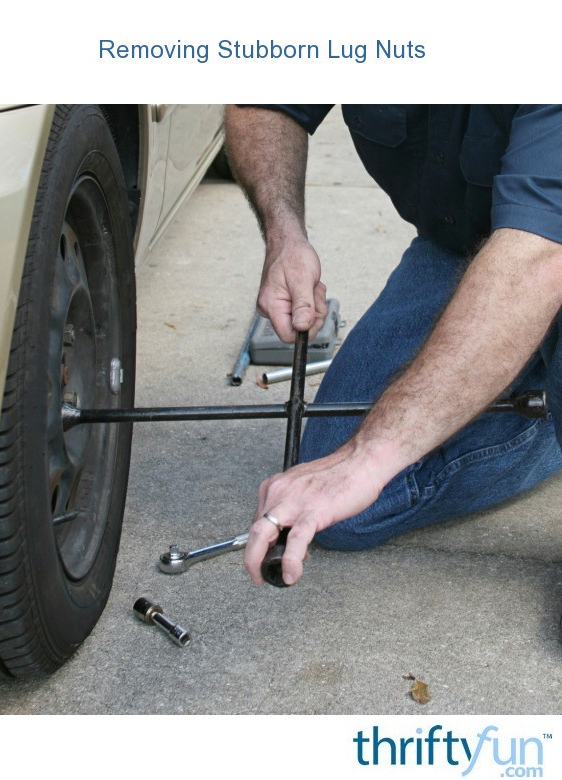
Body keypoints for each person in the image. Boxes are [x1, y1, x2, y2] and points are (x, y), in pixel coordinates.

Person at [224, 104, 562, 587]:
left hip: (541, 245)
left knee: (367, 471)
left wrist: (369, 457)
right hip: (468, 240)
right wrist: (285, 234)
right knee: (346, 508)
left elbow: (538, 257)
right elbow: (261, 100)